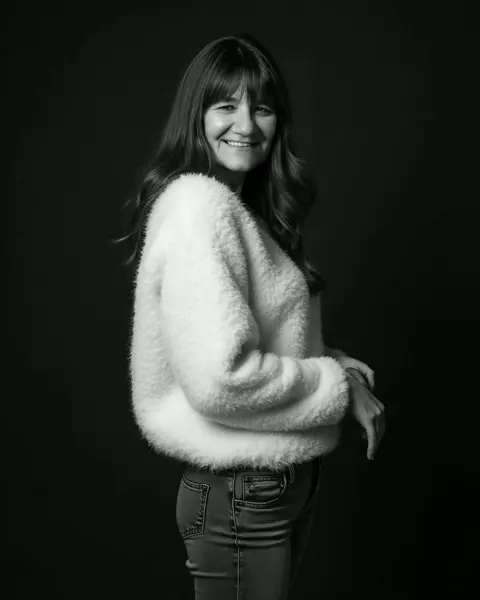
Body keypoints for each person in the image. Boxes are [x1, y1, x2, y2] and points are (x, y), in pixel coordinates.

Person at [120, 33, 386, 600]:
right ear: (196, 116)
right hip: (242, 491)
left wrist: (334, 363)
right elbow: (222, 379)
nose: (245, 124)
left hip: (269, 487)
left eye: (262, 108)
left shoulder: (240, 213)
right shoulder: (198, 207)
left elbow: (262, 341)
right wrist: (336, 388)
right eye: (226, 105)